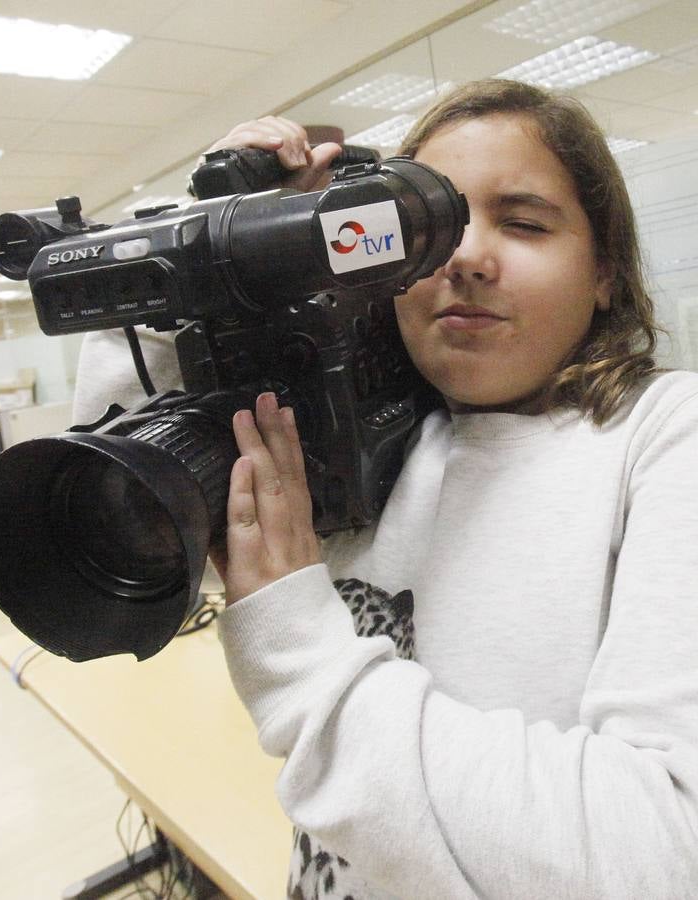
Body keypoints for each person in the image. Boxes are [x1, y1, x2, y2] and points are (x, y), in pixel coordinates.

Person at [203, 81, 698, 899]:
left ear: (604, 270)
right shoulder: (359, 434)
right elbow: (136, 530)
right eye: (429, 230)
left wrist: (299, 653)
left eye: (526, 222)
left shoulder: (661, 437)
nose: (465, 256)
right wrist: (235, 255)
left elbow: (663, 854)